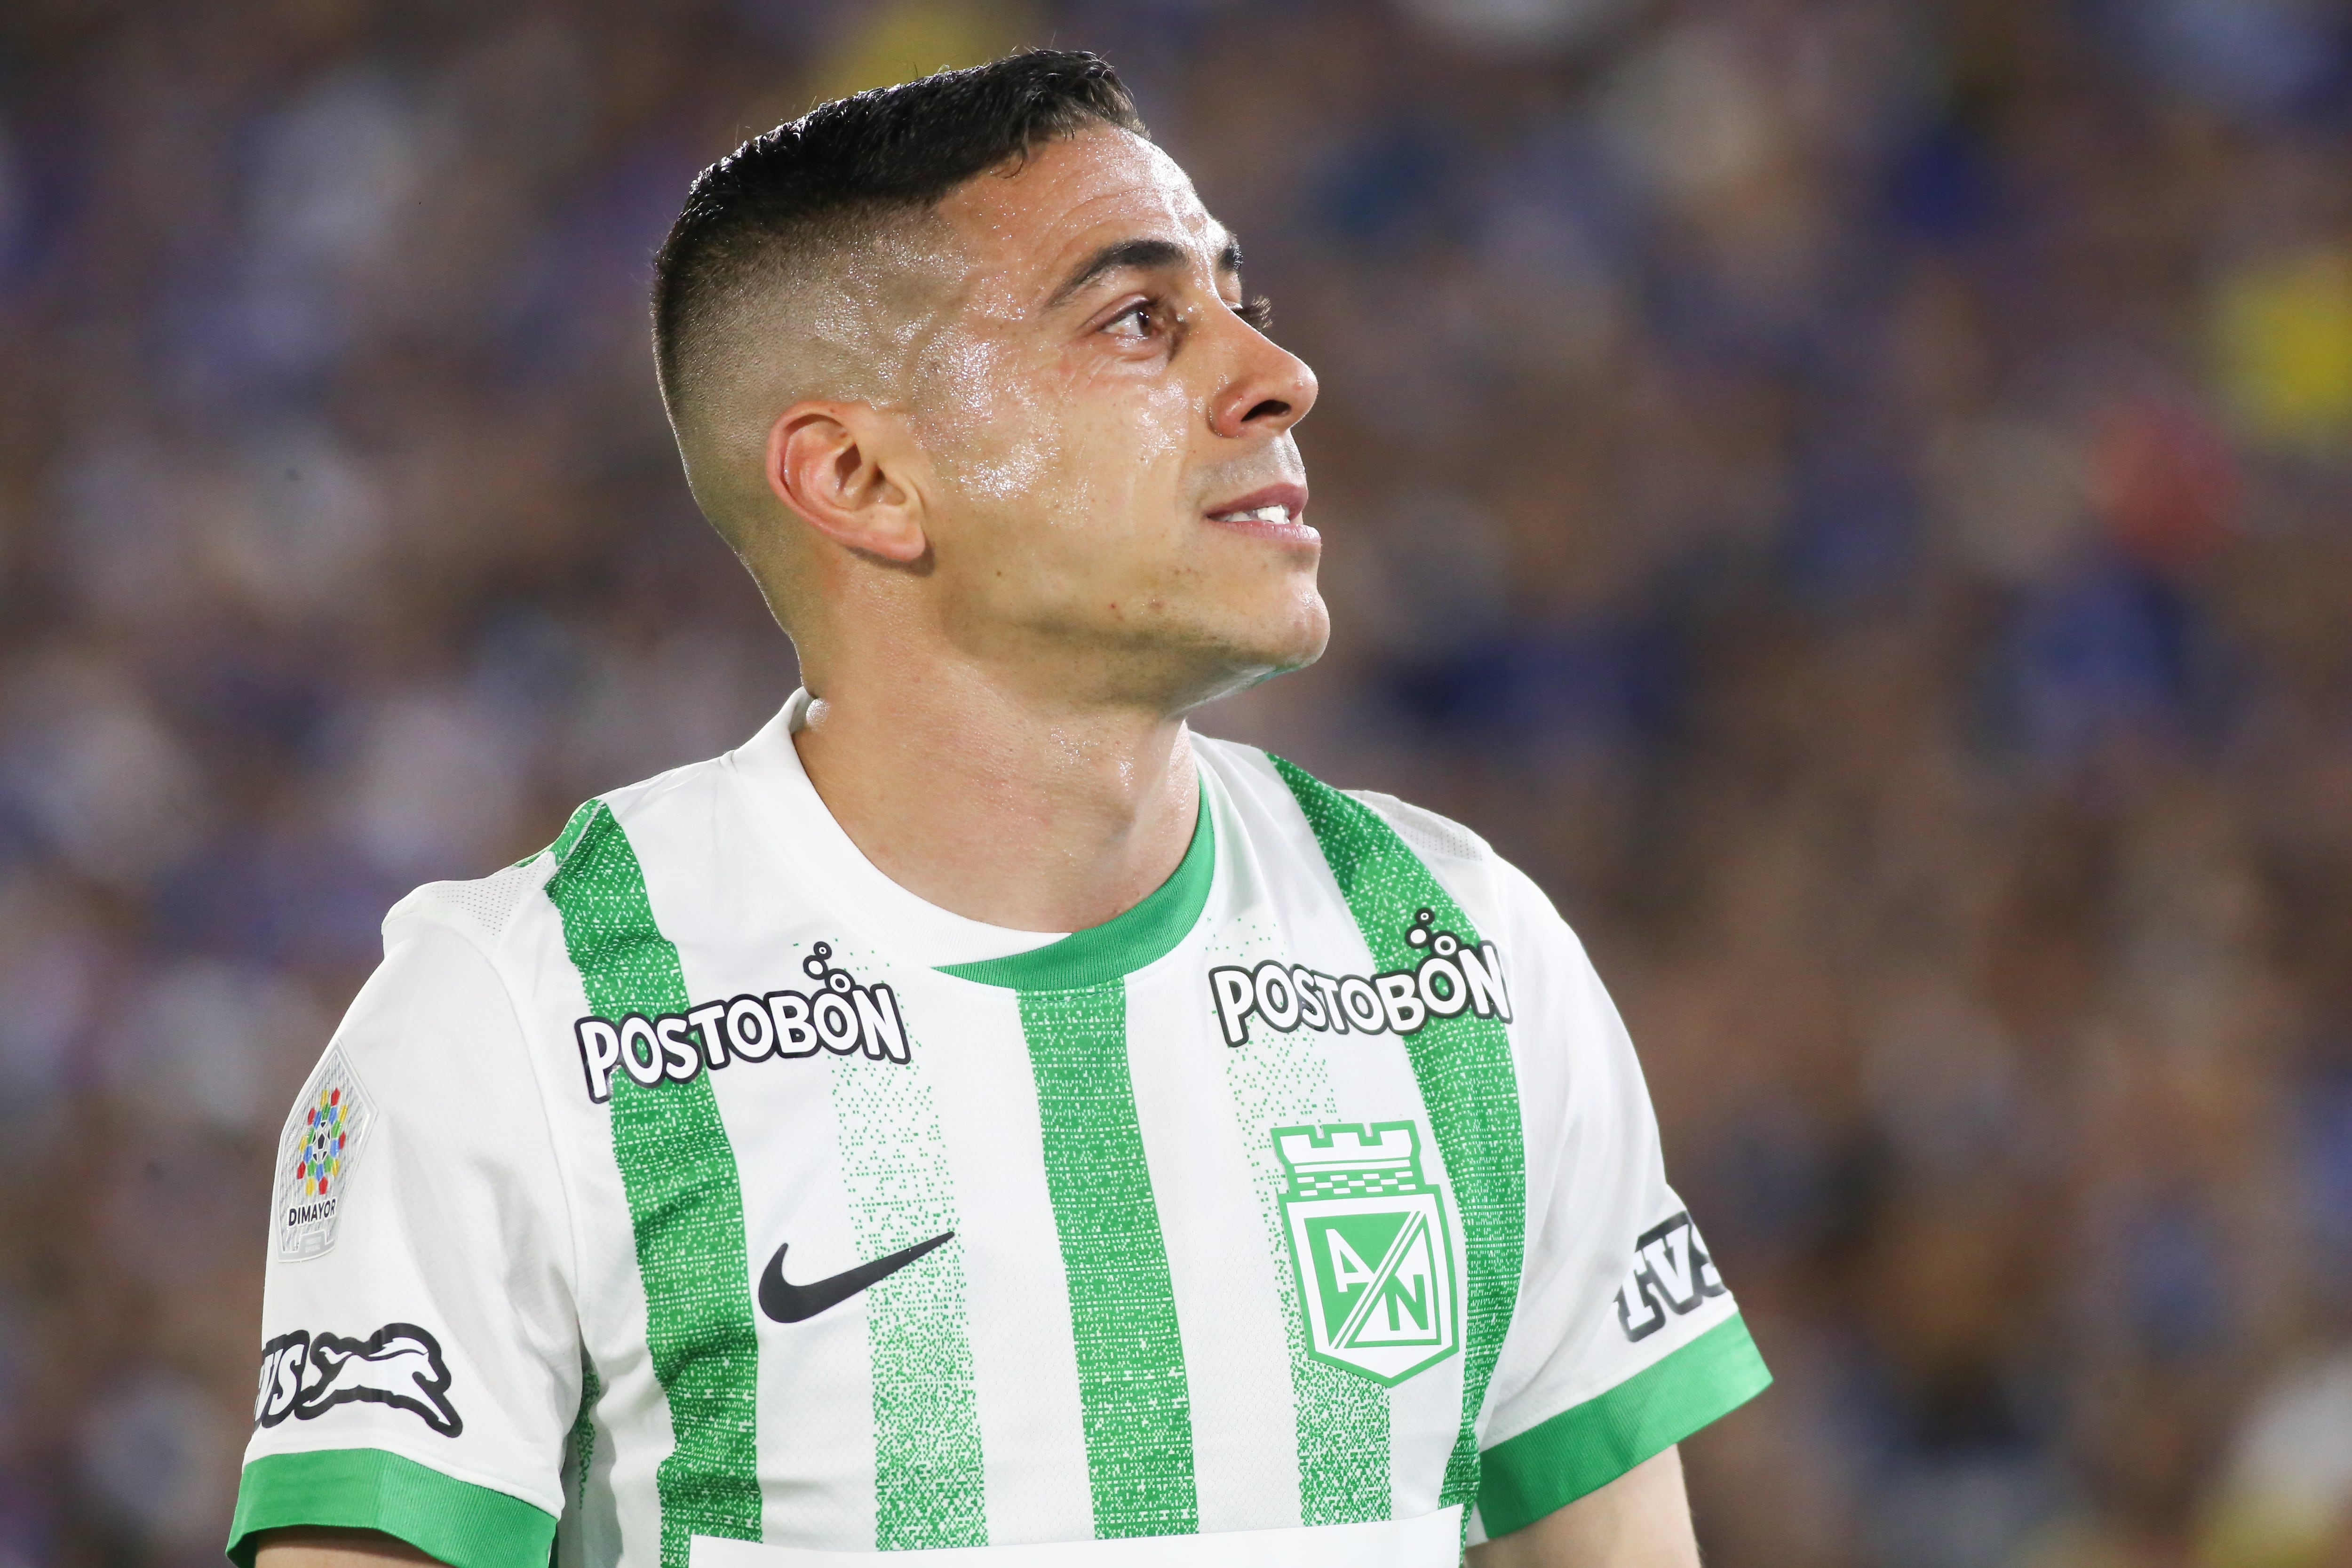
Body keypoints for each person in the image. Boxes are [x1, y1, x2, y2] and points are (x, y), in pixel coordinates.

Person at [226, 49, 1767, 1568]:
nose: (1275, 377)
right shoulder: (513, 1019)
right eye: (1141, 318)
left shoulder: (1464, 959)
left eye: (1245, 303)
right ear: (861, 479)